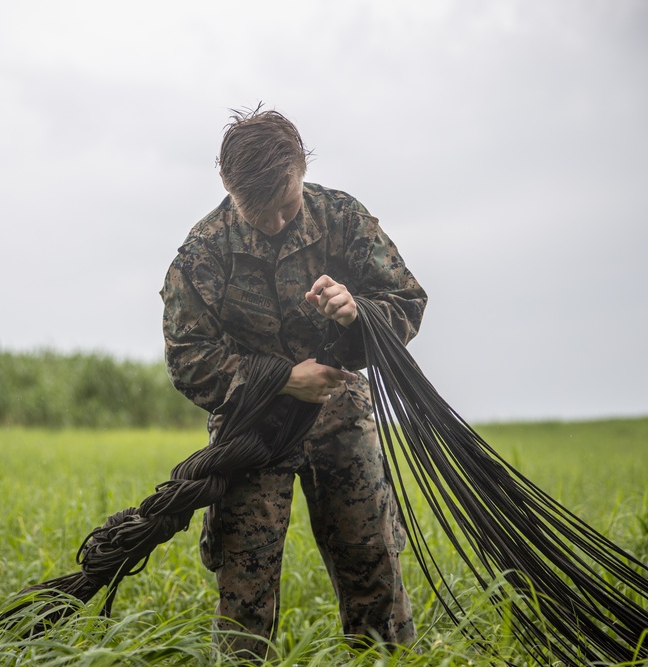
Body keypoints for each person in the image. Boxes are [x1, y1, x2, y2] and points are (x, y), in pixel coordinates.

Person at [159, 106, 427, 660]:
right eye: (259, 213)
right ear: (229, 188)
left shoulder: (343, 218)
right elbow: (187, 359)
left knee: (372, 563)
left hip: (342, 417)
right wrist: (282, 379)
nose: (277, 223)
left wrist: (357, 313)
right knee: (245, 588)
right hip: (252, 432)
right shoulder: (201, 254)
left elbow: (407, 302)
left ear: (302, 170)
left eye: (288, 205)